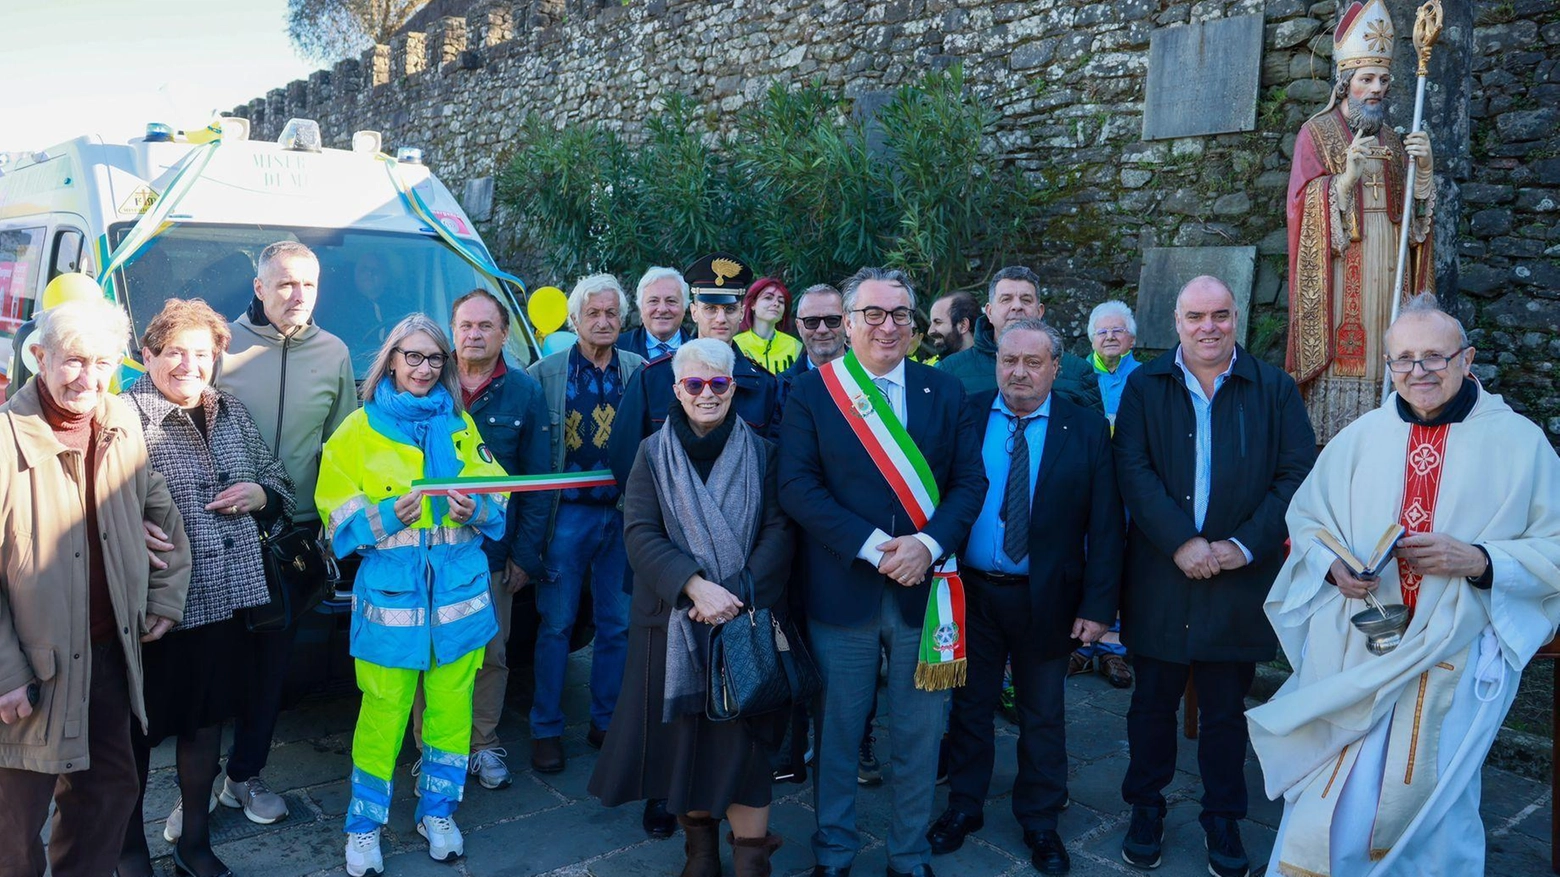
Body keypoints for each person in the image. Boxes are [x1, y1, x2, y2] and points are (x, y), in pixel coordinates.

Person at [1249, 296, 1560, 876]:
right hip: (1360, 643)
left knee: (1435, 801)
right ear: (1388, 366)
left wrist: (1481, 559)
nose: (1419, 371)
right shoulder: (1362, 437)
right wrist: (1331, 567)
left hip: (1456, 648)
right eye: (1403, 359)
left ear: (1467, 360)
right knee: (1334, 796)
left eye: (1434, 357)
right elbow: (1308, 521)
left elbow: (1555, 546)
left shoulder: (1520, 444)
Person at [780, 266, 987, 877]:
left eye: (900, 314)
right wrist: (875, 547)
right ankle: (836, 852)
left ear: (915, 324)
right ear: (847, 324)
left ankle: (909, 853)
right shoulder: (813, 393)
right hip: (844, 590)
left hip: (927, 592)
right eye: (873, 314)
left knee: (921, 737)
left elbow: (970, 483)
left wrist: (927, 545)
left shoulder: (944, 391)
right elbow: (797, 487)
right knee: (840, 734)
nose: (887, 325)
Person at [1113, 276, 1316, 877]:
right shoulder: (1144, 385)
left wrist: (1242, 545)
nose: (1209, 327)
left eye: (1220, 315)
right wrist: (1182, 541)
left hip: (1237, 576)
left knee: (1227, 710)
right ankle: (1145, 806)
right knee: (1151, 704)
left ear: (1236, 319)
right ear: (1176, 322)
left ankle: (1223, 816)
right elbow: (1133, 467)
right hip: (1160, 571)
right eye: (1196, 316)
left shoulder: (1273, 387)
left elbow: (1296, 472)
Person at [0, 298, 191, 877]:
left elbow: (157, 504)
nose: (90, 378)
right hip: (33, 668)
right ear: (38, 357)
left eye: (104, 363)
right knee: (13, 826)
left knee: (108, 793)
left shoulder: (120, 417)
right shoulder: (6, 441)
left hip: (109, 654)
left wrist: (164, 595)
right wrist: (6, 673)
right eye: (75, 361)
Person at [589, 338, 793, 877]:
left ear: (734, 387)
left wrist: (734, 591)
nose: (707, 394)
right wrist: (695, 588)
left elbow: (778, 531)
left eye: (719, 383)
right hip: (674, 621)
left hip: (744, 619)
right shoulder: (651, 454)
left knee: (745, 746)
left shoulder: (765, 452)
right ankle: (699, 852)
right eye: (695, 384)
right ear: (677, 389)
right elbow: (640, 532)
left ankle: (751, 858)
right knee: (686, 745)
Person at [928, 319, 1123, 876]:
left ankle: (1039, 818)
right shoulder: (965, 415)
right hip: (970, 591)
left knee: (1043, 712)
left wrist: (1097, 607)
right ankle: (964, 806)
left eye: (1033, 363)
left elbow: (1106, 525)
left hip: (1049, 596)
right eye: (1009, 360)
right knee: (969, 707)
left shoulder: (1084, 429)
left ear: (1055, 368)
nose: (1019, 372)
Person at [316, 314, 507, 874]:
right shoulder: (357, 429)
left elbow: (499, 492)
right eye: (413, 356)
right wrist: (378, 518)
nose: (424, 368)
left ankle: (438, 811)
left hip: (460, 599)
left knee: (452, 714)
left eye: (434, 359)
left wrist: (481, 507)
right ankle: (364, 825)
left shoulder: (459, 425)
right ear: (392, 360)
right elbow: (334, 511)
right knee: (382, 715)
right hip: (393, 602)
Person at [117, 299, 295, 877]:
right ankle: (129, 851)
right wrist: (123, 522)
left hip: (226, 604)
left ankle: (194, 844)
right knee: (137, 737)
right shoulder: (121, 416)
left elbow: (279, 482)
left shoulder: (231, 410)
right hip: (155, 608)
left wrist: (258, 495)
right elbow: (87, 505)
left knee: (205, 727)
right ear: (148, 355)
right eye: (175, 353)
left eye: (202, 354)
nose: (190, 366)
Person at [214, 240, 356, 826]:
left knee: (273, 669)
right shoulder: (219, 346)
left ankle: (243, 778)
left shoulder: (336, 353)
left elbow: (345, 447)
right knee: (211, 666)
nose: (298, 296)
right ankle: (192, 788)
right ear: (259, 287)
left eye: (310, 285)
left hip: (291, 540)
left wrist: (337, 530)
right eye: (286, 284)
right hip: (219, 533)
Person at [411, 289, 549, 792]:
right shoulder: (427, 380)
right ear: (453, 329)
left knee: (490, 653)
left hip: (490, 553)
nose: (473, 334)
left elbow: (537, 481)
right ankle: (430, 750)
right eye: (465, 325)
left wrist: (524, 555)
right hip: (426, 550)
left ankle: (483, 745)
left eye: (485, 326)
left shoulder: (524, 393)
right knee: (429, 653)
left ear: (504, 333)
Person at [1286, 0, 1436, 443]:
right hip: (1339, 275)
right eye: (1366, 79)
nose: (1376, 89)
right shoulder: (1316, 134)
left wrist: (1423, 174)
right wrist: (1343, 181)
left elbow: (1414, 226)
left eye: (1383, 80)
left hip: (1388, 270)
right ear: (1345, 82)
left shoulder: (1395, 139)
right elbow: (1299, 207)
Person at [524, 274, 644, 774]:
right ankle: (545, 728)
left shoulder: (639, 370)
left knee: (618, 624)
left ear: (622, 319)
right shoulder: (544, 373)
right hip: (565, 514)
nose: (602, 321)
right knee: (556, 624)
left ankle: (606, 720)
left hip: (622, 515)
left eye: (611, 313)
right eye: (592, 313)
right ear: (574, 320)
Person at [1069, 299, 1140, 688]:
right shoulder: (1076, 375)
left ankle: (1113, 648)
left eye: (1118, 330)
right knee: (1080, 553)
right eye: (1102, 331)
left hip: (1127, 485)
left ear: (1132, 336)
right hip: (1086, 482)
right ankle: (1081, 644)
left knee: (1119, 557)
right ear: (1091, 338)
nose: (1110, 336)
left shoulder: (1147, 377)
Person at [935, 266, 1101, 412]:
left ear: (1040, 311)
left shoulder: (1078, 374)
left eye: (1026, 300)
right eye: (1006, 299)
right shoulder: (950, 372)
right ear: (989, 312)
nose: (1017, 306)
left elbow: (1092, 440)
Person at [779, 284, 847, 387]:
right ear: (799, 327)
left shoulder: (872, 374)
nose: (822, 330)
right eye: (811, 322)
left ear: (847, 322)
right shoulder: (781, 387)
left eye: (832, 320)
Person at [619, 267, 693, 360]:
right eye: (653, 301)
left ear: (685, 306)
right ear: (640, 307)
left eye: (671, 301)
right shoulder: (617, 349)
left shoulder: (701, 350)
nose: (662, 309)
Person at [733, 276, 801, 374]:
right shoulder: (735, 345)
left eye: (781, 301)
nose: (776, 304)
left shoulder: (795, 346)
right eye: (768, 298)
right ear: (753, 304)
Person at [926, 291, 978, 358]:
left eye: (938, 322)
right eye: (931, 323)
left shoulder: (992, 364)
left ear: (963, 325)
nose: (930, 331)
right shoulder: (936, 367)